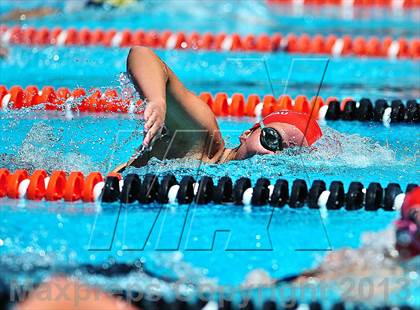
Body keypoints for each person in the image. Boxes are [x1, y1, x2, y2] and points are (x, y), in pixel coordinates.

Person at [112, 46, 322, 172]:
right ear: (247, 133)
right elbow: (142, 53)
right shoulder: (201, 140)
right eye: (272, 139)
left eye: (289, 154)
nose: (272, 155)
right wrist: (157, 100)